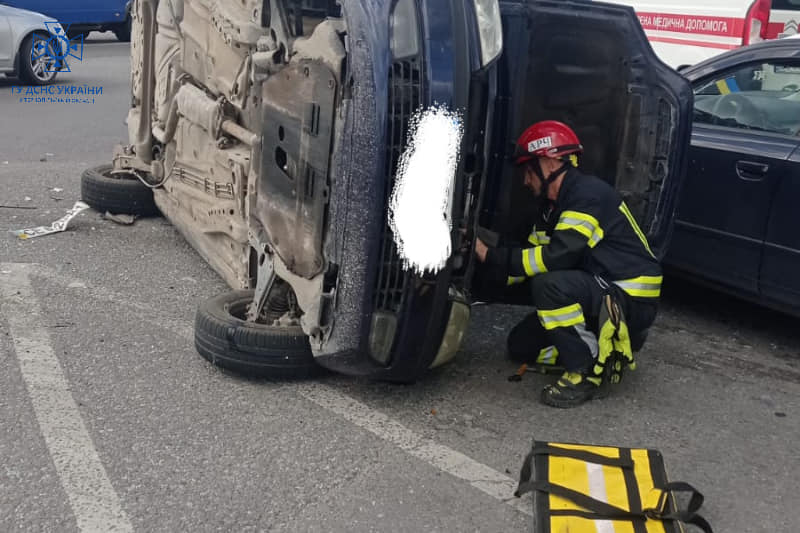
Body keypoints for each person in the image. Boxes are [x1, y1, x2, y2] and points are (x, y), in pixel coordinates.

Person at [474, 120, 662, 408]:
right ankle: (608, 344)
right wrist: (482, 270)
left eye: (528, 169)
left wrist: (491, 256)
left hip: (630, 298)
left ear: (549, 162)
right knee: (520, 346)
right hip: (600, 290)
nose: (525, 180)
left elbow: (555, 258)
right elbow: (528, 259)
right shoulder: (552, 209)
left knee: (549, 285)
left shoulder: (586, 195)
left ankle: (584, 371)